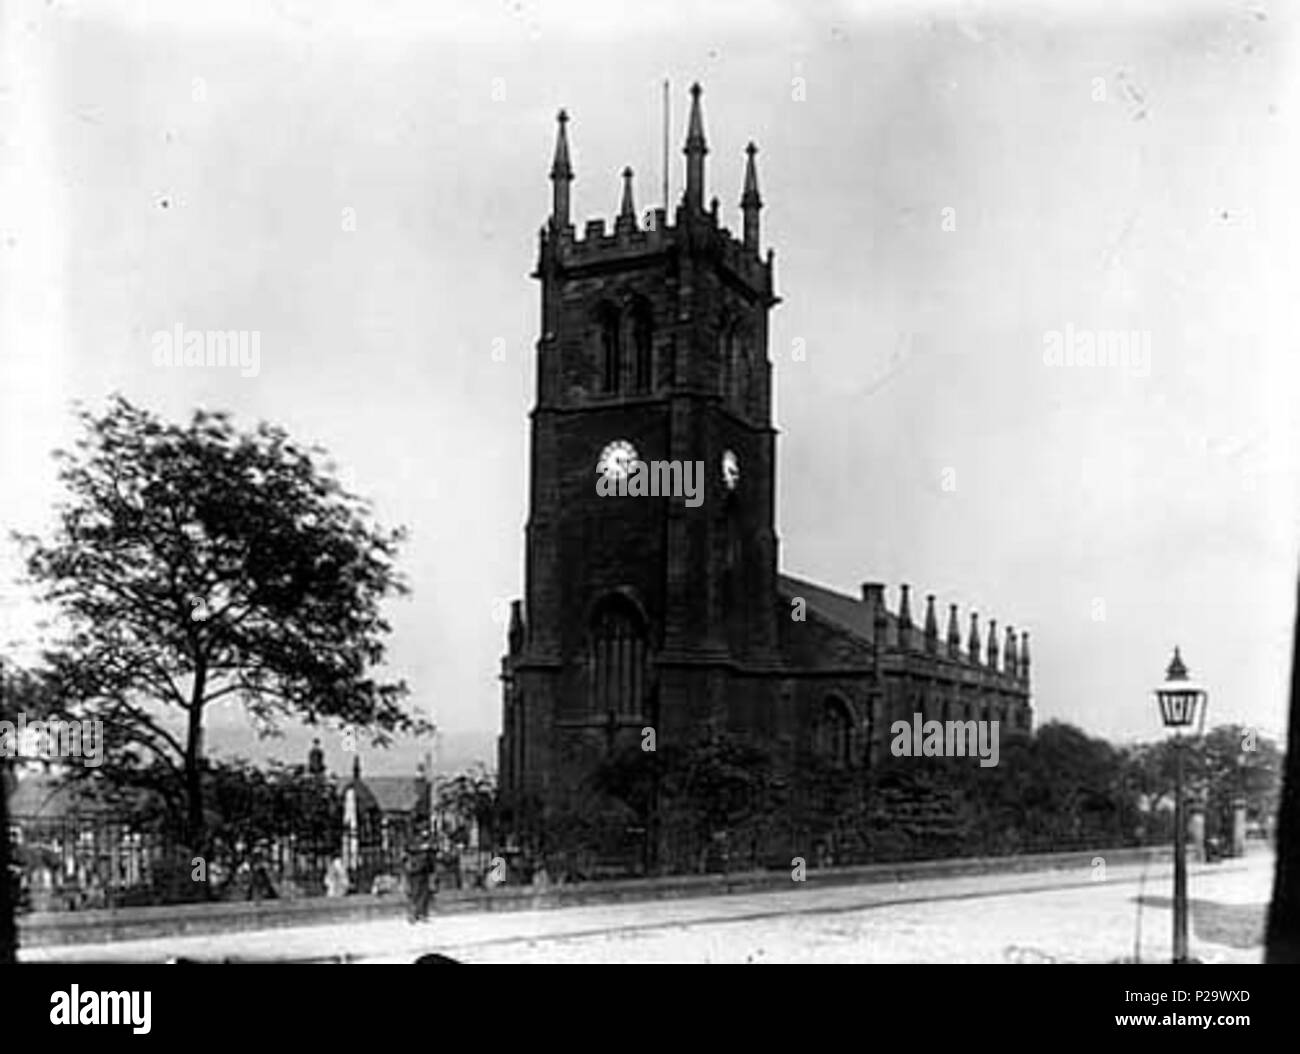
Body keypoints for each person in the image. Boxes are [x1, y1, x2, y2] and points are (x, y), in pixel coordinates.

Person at [404, 838, 434, 923]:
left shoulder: (425, 853)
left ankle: (422, 914)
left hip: (423, 872)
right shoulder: (414, 850)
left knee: (424, 894)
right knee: (415, 894)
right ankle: (414, 914)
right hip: (416, 873)